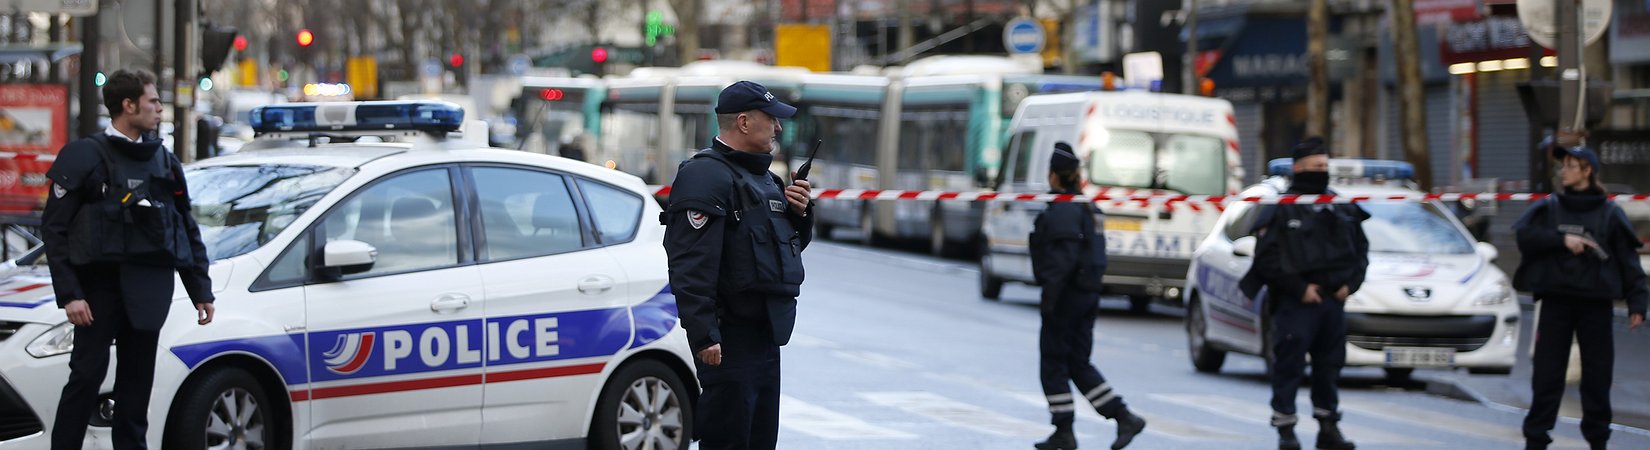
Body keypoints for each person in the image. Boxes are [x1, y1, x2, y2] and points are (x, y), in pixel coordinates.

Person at [43, 69, 216, 449]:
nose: (158, 108)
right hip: (98, 292)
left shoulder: (163, 161)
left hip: (148, 289)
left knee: (136, 388)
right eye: (153, 101)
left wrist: (200, 289)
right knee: (86, 379)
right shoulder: (84, 155)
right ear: (128, 105)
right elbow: (54, 230)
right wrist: (70, 294)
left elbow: (183, 227)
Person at [661, 80, 813, 450]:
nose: (778, 127)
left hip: (765, 338)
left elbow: (783, 253)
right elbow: (690, 263)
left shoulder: (766, 179)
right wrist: (703, 333)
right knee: (728, 441)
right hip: (728, 341)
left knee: (760, 441)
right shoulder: (705, 176)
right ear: (743, 123)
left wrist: (801, 214)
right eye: (771, 119)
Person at [1513, 142, 1647, 450]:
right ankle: (1536, 441)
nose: (1563, 171)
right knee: (1547, 377)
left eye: (1571, 166)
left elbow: (1628, 259)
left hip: (1595, 305)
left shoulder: (1610, 213)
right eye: (1562, 166)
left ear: (1587, 171)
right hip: (1557, 302)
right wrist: (1562, 240)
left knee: (1597, 379)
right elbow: (1523, 235)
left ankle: (1598, 442)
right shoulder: (1549, 206)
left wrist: (1638, 301)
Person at [1239, 137, 1367, 450]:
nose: (1322, 171)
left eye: (1325, 166)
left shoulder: (1340, 205)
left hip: (1332, 302)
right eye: (1316, 167)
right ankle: (1286, 430)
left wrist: (1350, 285)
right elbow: (1267, 259)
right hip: (1296, 303)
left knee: (1329, 367)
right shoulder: (1280, 207)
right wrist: (1300, 289)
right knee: (1289, 367)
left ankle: (1328, 429)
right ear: (1299, 168)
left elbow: (1361, 251)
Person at [1029, 143, 1147, 450]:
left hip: (1067, 297)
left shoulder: (1065, 209)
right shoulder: (1086, 206)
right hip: (1087, 296)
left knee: (1053, 363)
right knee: (1078, 363)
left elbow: (1061, 261)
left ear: (1054, 176)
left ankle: (1065, 432)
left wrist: (1050, 301)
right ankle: (1123, 416)